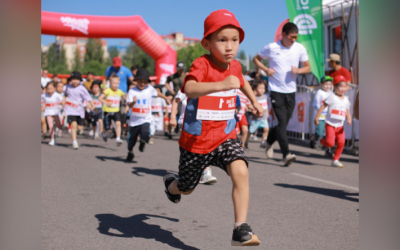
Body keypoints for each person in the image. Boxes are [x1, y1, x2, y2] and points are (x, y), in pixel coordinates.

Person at [162, 9, 262, 246]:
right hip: (196, 142)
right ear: (207, 42)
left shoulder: (235, 66)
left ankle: (240, 229)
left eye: (235, 40)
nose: (230, 47)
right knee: (185, 189)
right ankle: (171, 185)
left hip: (225, 136)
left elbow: (242, 81)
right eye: (222, 40)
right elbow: (190, 89)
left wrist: (254, 101)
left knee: (241, 170)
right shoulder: (202, 64)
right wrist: (221, 84)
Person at [253, 22, 311, 166]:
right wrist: (265, 69)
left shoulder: (299, 48)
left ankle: (268, 142)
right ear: (283, 35)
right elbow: (256, 59)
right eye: (291, 37)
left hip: (291, 91)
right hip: (276, 91)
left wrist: (298, 71)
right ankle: (286, 155)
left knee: (282, 124)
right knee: (282, 123)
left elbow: (308, 67)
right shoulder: (272, 47)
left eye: (296, 37)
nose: (293, 40)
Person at [169, 90, 218, 184]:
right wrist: (172, 117)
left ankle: (205, 172)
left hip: (204, 123)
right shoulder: (190, 85)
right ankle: (187, 171)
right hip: (187, 123)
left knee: (207, 147)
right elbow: (176, 101)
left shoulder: (210, 86)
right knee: (187, 150)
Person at [124, 68, 170, 162]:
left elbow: (158, 93)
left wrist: (166, 98)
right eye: (140, 81)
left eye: (145, 82)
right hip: (134, 121)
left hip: (145, 118)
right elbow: (129, 105)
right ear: (136, 81)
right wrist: (133, 102)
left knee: (145, 133)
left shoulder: (150, 89)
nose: (142, 83)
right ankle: (130, 152)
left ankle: (142, 142)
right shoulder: (132, 91)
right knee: (131, 140)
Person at [315, 75, 352, 168]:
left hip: (340, 126)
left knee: (341, 143)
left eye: (345, 86)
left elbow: (347, 111)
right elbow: (323, 107)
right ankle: (321, 141)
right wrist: (316, 118)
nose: (343, 89)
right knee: (330, 143)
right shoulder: (332, 97)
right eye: (340, 86)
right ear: (335, 87)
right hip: (330, 124)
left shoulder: (346, 99)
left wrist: (349, 119)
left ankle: (335, 160)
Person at [63, 71, 94, 149]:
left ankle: (80, 129)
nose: (75, 81)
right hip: (70, 110)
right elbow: (64, 94)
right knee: (73, 125)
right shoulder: (67, 87)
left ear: (80, 80)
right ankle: (74, 142)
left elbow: (88, 97)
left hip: (79, 111)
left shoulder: (82, 89)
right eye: (73, 79)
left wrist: (92, 105)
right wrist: (63, 102)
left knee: (79, 127)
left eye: (77, 79)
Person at [98, 75, 126, 146]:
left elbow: (125, 98)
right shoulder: (107, 91)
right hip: (108, 111)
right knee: (107, 127)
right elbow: (100, 98)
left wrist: (129, 102)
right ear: (110, 83)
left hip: (116, 111)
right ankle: (104, 133)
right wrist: (106, 102)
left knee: (118, 124)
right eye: (114, 83)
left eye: (117, 83)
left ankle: (118, 138)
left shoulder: (120, 92)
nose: (116, 85)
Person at [311, 76, 333, 157]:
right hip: (320, 116)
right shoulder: (319, 92)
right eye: (326, 84)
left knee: (329, 134)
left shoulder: (331, 93)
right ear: (321, 84)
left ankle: (328, 149)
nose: (328, 86)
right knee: (319, 132)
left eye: (329, 84)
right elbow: (316, 104)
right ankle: (313, 139)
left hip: (329, 117)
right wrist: (318, 114)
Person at [248, 82, 269, 148]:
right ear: (255, 89)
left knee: (266, 129)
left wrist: (267, 112)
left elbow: (266, 107)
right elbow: (251, 107)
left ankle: (263, 142)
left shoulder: (265, 96)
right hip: (256, 119)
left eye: (263, 88)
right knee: (250, 131)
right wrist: (255, 112)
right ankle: (245, 140)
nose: (262, 89)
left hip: (264, 117)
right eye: (260, 88)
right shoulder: (254, 98)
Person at [42, 82, 64, 146]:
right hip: (48, 113)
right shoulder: (44, 95)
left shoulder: (57, 95)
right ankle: (52, 139)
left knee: (58, 125)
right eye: (48, 89)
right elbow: (42, 102)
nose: (50, 90)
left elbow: (63, 101)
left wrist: (62, 105)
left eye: (51, 89)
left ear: (54, 88)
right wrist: (43, 106)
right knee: (50, 126)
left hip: (56, 113)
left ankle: (59, 130)